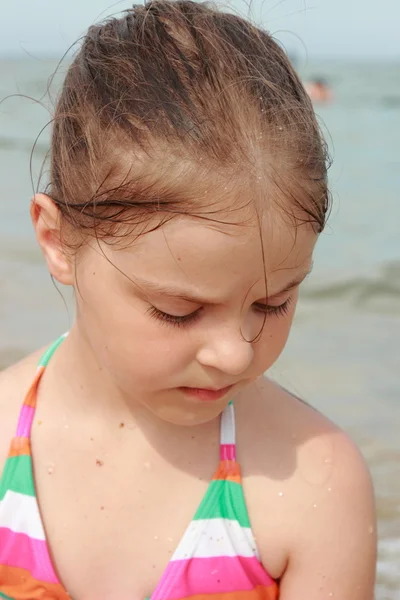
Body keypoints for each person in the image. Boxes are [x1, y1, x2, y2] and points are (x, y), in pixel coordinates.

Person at [0, 2, 376, 599]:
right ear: (58, 241)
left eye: (273, 304)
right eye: (180, 311)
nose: (234, 355)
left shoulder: (314, 483)